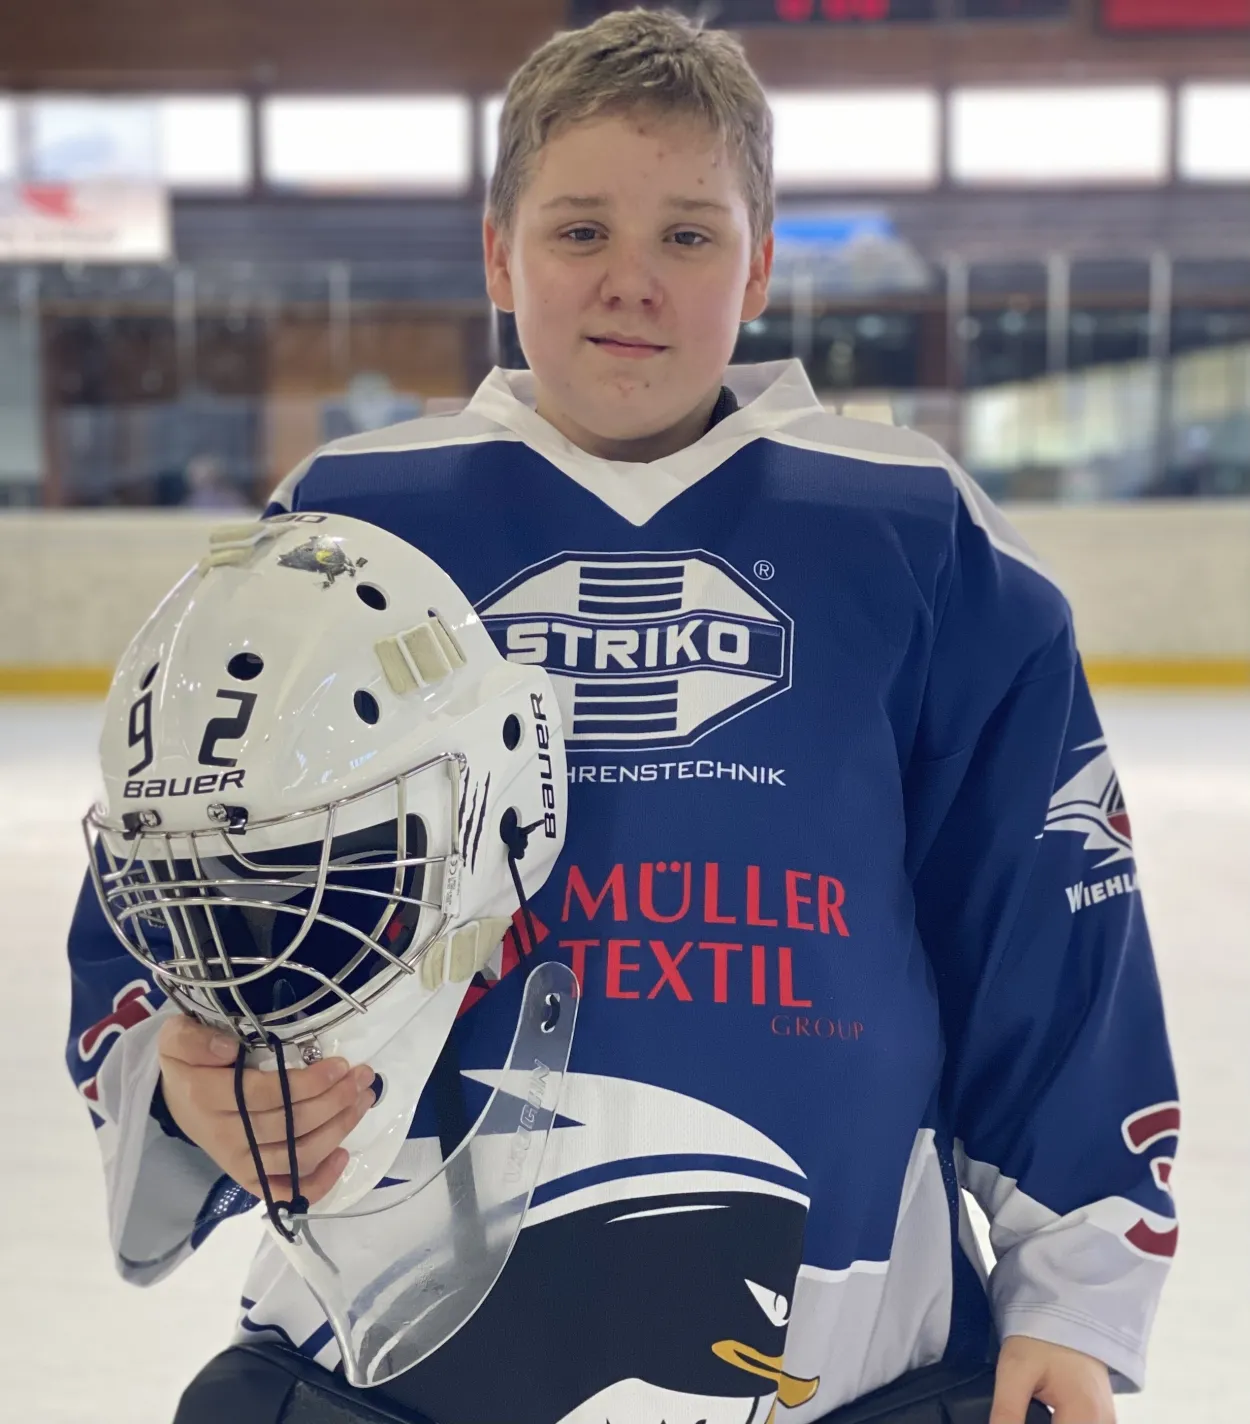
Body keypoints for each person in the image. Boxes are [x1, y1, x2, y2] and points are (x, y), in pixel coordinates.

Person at [65, 10, 1179, 1424]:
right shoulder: (347, 523)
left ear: (759, 265)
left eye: (689, 236)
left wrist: (1072, 1294)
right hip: (390, 1356)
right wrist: (185, 1082)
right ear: (498, 253)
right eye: (580, 230)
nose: (631, 282)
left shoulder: (915, 530)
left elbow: (1047, 930)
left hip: (835, 1360)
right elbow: (170, 881)